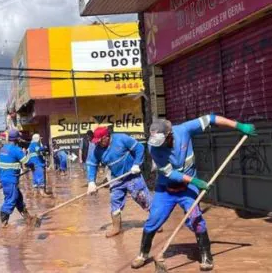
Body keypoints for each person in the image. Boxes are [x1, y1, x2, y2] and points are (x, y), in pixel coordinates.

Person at [131, 115, 256, 271]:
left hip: (186, 189)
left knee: (196, 219)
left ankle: (206, 255)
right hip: (166, 190)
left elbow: (211, 118)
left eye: (162, 141)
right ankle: (143, 254)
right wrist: (196, 181)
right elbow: (170, 174)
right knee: (153, 219)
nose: (159, 145)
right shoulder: (154, 148)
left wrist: (239, 126)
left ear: (169, 135)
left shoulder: (184, 130)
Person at [87, 127, 153, 238]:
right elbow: (91, 164)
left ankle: (156, 222)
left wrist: (137, 164)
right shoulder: (97, 149)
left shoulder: (121, 138)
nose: (97, 143)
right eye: (96, 141)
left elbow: (139, 148)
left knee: (144, 199)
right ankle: (116, 227)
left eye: (99, 141)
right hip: (116, 178)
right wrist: (91, 182)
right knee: (114, 202)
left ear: (106, 137)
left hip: (132, 174)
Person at [0, 129, 32, 227]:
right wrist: (32, 166)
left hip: (5, 178)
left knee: (18, 198)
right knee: (11, 200)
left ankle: (28, 219)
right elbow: (26, 161)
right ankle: (3, 223)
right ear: (17, 139)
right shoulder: (16, 150)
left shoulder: (3, 149)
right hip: (11, 179)